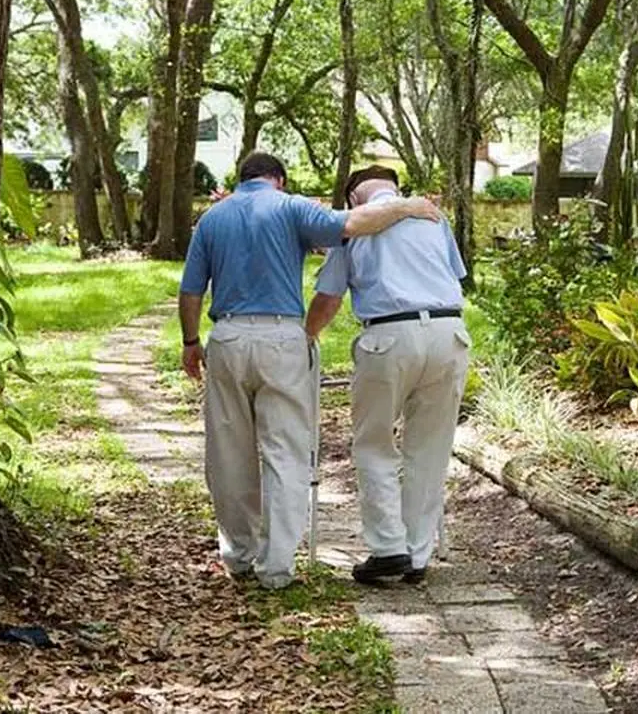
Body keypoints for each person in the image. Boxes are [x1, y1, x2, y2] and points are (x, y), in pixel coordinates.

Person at [179, 152, 441, 590]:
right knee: (285, 451)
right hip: (282, 336)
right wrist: (408, 206)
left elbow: (190, 291)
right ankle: (277, 567)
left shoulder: (212, 219)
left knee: (227, 450)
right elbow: (354, 224)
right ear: (278, 179)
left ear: (241, 179)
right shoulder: (292, 206)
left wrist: (191, 342)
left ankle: (238, 555)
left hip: (226, 337)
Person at [305, 165, 470, 585]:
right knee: (430, 448)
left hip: (389, 335)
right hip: (450, 332)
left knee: (374, 442)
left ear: (353, 199)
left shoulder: (355, 224)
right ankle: (417, 554)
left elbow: (329, 298)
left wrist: (304, 337)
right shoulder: (433, 216)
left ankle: (388, 548)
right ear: (394, 187)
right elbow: (455, 277)